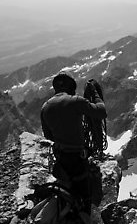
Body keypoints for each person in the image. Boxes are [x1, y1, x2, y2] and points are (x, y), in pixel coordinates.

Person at [40, 71, 107, 215]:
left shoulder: (45, 107)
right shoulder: (76, 101)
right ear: (72, 87)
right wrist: (95, 93)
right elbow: (101, 112)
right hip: (77, 158)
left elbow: (48, 135)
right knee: (85, 194)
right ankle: (86, 222)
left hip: (61, 158)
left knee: (69, 187)